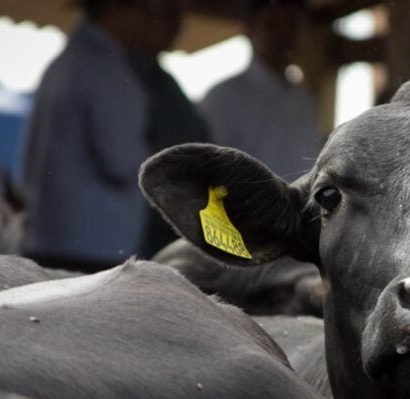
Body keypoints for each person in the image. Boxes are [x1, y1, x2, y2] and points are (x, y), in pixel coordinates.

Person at [19, 0, 184, 272]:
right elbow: (121, 162)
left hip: (52, 240)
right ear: (115, 9)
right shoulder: (109, 71)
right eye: (146, 10)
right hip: (92, 249)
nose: (148, 21)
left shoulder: (66, 62)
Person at [199, 0, 322, 182]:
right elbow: (203, 171)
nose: (283, 32)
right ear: (249, 28)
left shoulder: (304, 99)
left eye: (292, 23)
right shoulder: (224, 97)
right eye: (273, 22)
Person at [124, 2, 210, 258]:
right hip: (140, 220)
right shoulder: (120, 75)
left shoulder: (167, 83)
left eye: (177, 16)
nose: (175, 24)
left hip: (173, 216)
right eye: (166, 14)